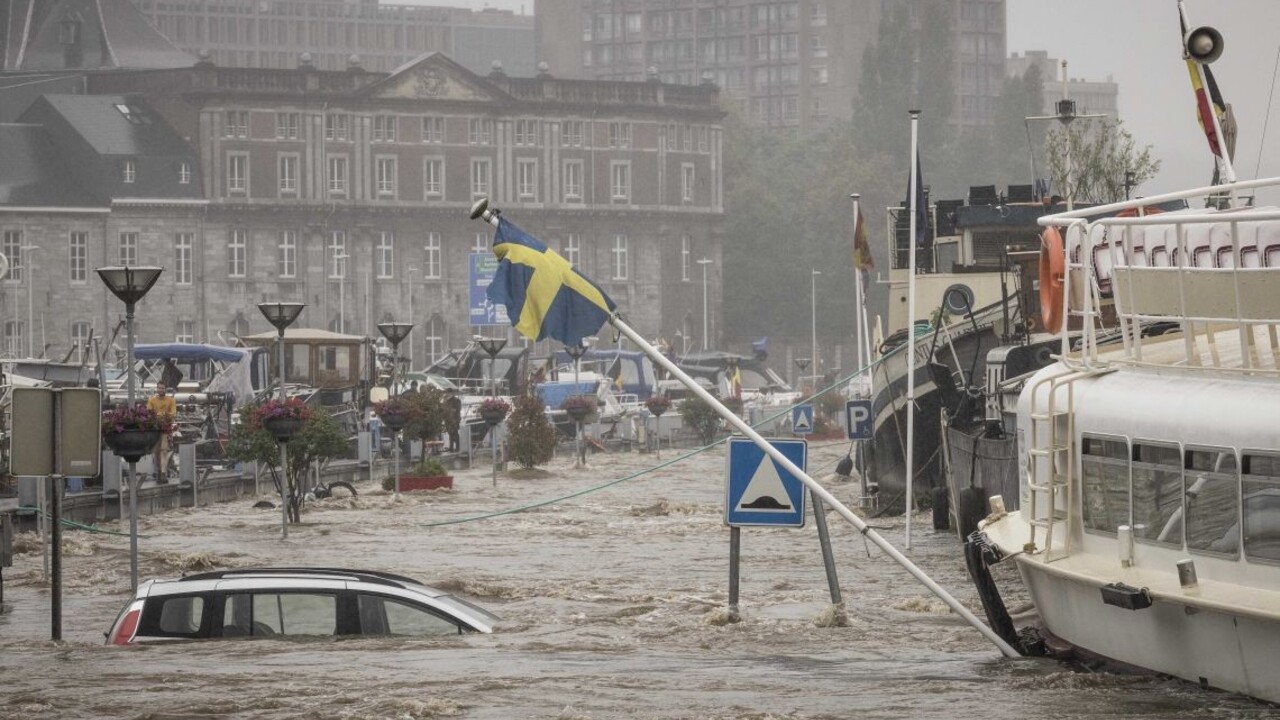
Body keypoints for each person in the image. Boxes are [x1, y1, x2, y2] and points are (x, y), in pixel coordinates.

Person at [147, 382, 177, 483]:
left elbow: (173, 414)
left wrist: (160, 415)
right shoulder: (152, 400)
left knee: (164, 450)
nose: (161, 390)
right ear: (157, 389)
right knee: (156, 452)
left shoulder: (171, 400)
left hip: (166, 428)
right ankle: (159, 472)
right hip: (155, 429)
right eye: (159, 388)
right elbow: (149, 414)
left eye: (163, 388)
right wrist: (164, 415)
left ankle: (163, 473)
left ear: (166, 389)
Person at [443, 389, 462, 453]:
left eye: (448, 393)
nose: (447, 394)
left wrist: (448, 411)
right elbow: (443, 409)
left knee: (455, 433)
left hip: (454, 419)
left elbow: (457, 410)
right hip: (447, 419)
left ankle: (457, 447)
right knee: (450, 433)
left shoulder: (456, 400)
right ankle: (451, 447)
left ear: (451, 393)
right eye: (446, 393)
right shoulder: (446, 400)